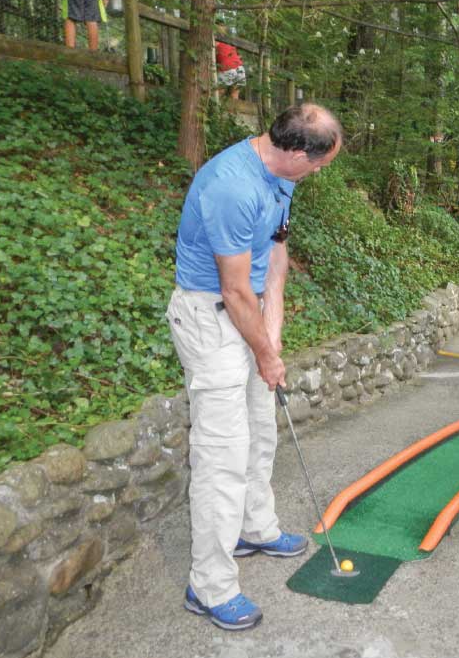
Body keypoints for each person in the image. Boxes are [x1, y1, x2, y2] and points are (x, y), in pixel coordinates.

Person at [166, 104, 342, 631]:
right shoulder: (231, 186)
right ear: (294, 152)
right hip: (210, 317)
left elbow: (277, 254)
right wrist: (264, 351)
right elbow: (233, 288)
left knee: (260, 430)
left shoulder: (282, 178)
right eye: (318, 162)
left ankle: (254, 528)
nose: (320, 171)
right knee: (221, 456)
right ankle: (209, 585)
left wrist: (274, 333)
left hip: (249, 314)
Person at [216, 30, 246, 101]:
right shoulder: (229, 42)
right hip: (240, 69)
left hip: (228, 68)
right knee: (234, 96)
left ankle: (215, 110)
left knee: (218, 94)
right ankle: (235, 111)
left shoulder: (215, 41)